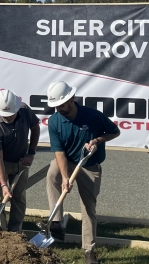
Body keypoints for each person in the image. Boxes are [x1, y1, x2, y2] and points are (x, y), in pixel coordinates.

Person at [45, 81, 120, 264]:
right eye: (55, 106)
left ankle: (89, 250)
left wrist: (97, 140)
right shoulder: (55, 121)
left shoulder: (92, 115)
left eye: (61, 105)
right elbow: (59, 152)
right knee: (52, 174)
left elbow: (114, 132)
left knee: (88, 207)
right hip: (68, 160)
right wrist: (65, 177)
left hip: (89, 165)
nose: (58, 109)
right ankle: (55, 222)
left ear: (71, 100)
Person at [0, 89, 40, 232]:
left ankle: (15, 232)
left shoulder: (24, 110)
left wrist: (31, 153)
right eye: (5, 115)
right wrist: (4, 184)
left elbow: (35, 128)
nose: (8, 117)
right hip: (1, 163)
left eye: (11, 114)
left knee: (19, 198)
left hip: (22, 162)